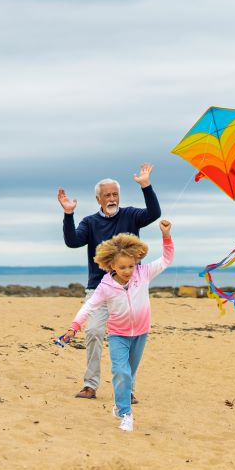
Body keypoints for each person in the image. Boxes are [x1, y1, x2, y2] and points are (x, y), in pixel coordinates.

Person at [58, 163, 161, 400]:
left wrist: (146, 186)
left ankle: (128, 389)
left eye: (115, 194)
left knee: (131, 339)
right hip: (99, 288)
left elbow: (154, 214)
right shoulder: (90, 222)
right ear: (98, 199)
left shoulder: (131, 215)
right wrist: (68, 214)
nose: (112, 198)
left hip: (129, 289)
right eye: (107, 195)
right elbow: (73, 242)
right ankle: (90, 385)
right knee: (93, 332)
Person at [60, 220, 174, 432]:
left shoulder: (144, 273)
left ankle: (119, 407)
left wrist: (166, 236)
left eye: (131, 266)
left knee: (129, 374)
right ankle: (125, 414)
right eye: (122, 267)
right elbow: (89, 307)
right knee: (120, 372)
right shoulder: (105, 286)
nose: (128, 271)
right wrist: (74, 326)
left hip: (141, 334)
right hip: (118, 336)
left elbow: (167, 259)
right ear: (111, 265)